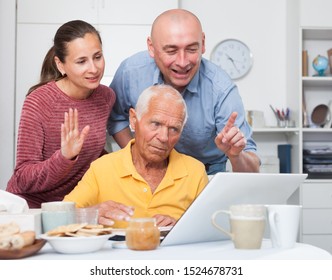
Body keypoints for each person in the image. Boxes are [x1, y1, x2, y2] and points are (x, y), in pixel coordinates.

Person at [107, 9, 260, 175]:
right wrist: (138, 156)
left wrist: (236, 156)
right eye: (171, 51)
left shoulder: (221, 89)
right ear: (151, 47)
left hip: (204, 173)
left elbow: (252, 168)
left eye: (191, 49)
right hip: (145, 170)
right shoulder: (130, 72)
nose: (182, 62)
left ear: (203, 43)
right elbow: (116, 118)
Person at [64, 84, 209, 228]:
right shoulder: (102, 168)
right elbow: (59, 216)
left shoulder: (195, 171)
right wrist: (91, 213)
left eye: (174, 129)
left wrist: (179, 227)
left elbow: (211, 229)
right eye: (155, 124)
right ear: (133, 120)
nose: (164, 137)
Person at [6, 20, 116, 208]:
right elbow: (23, 178)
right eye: (81, 61)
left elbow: (93, 152)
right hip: (29, 207)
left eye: (97, 57)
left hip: (72, 206)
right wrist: (65, 157)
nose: (94, 68)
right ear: (61, 65)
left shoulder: (106, 97)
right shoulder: (39, 102)